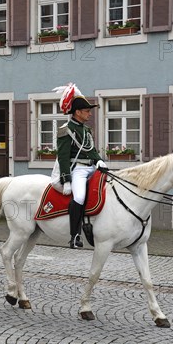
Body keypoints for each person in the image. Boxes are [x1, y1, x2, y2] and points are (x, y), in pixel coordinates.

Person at [55, 83, 108, 249]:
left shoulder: (86, 129)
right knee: (78, 197)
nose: (89, 114)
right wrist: (67, 180)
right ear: (77, 112)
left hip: (91, 167)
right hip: (77, 169)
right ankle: (75, 235)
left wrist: (98, 160)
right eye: (87, 111)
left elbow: (91, 150)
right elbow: (63, 158)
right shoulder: (66, 130)